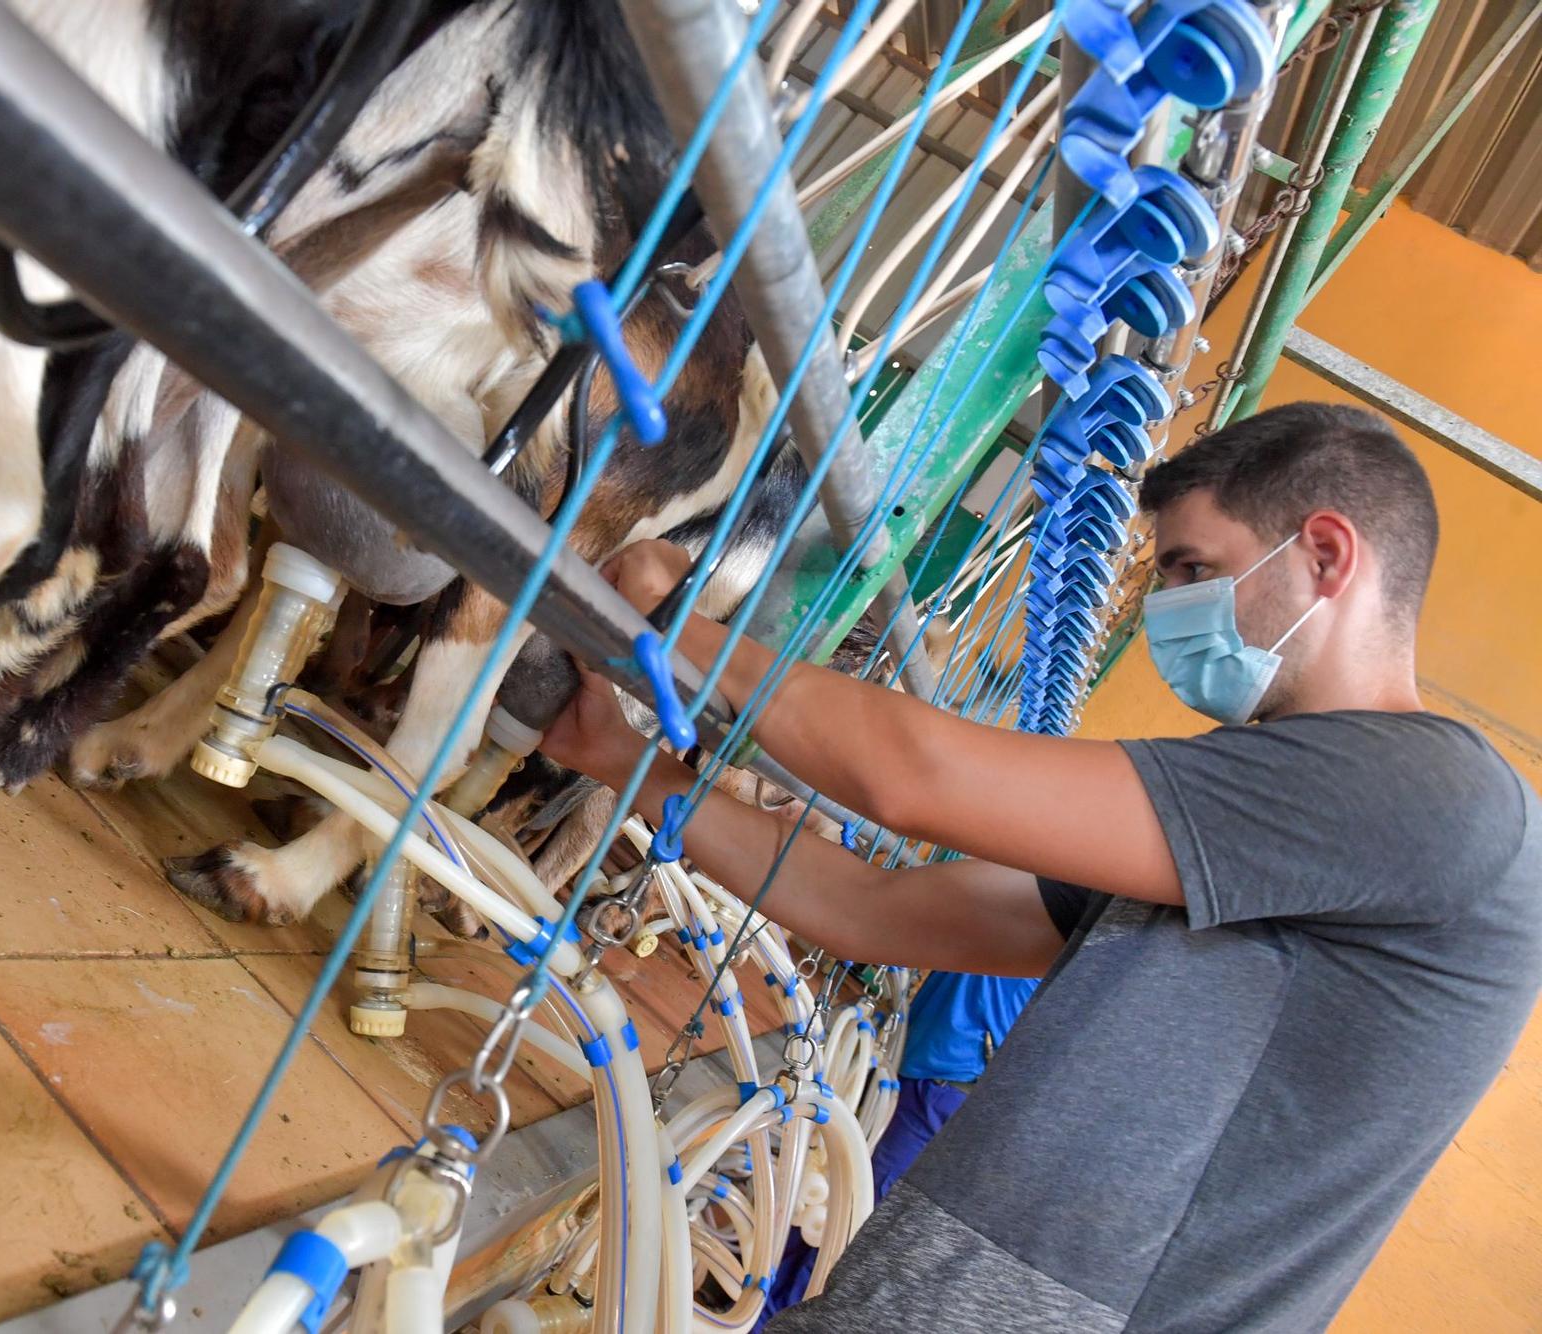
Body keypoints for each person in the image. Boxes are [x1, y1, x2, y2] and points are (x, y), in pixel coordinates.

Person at [540, 403, 1542, 1331]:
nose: (1168, 611)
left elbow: (911, 775)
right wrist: (620, 757)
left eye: (1193, 569)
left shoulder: (1429, 790)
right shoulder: (1254, 835)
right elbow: (863, 907)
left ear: (1323, 553)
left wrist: (675, 622)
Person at [760, 969, 1038, 1320]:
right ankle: (758, 1294)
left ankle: (768, 1318)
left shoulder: (1045, 938)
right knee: (826, 1189)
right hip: (911, 1068)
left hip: (945, 1086)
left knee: (852, 1213)